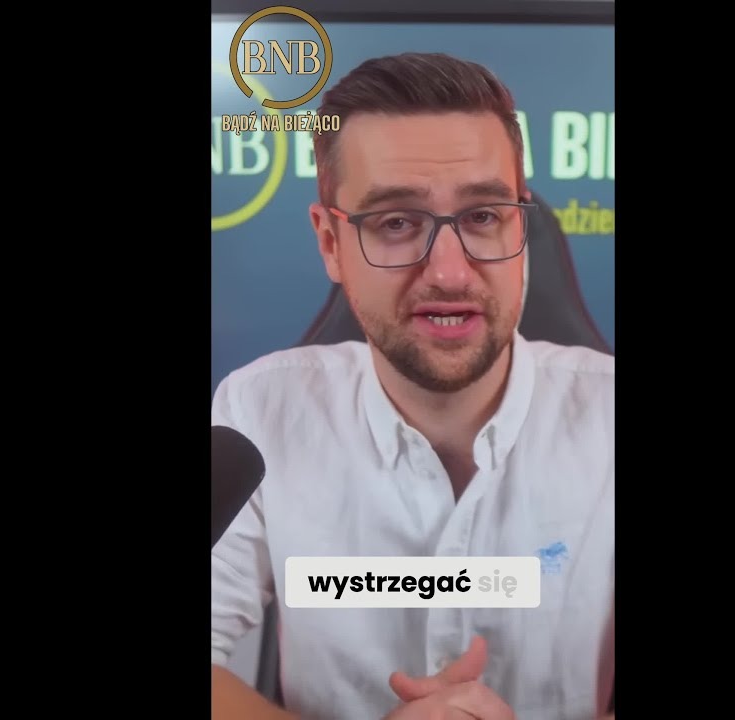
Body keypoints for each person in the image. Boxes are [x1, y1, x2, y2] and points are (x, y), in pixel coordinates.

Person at [211, 52, 615, 720]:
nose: (449, 273)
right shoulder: (257, 412)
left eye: (483, 216)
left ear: (521, 226)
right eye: (396, 223)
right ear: (330, 243)